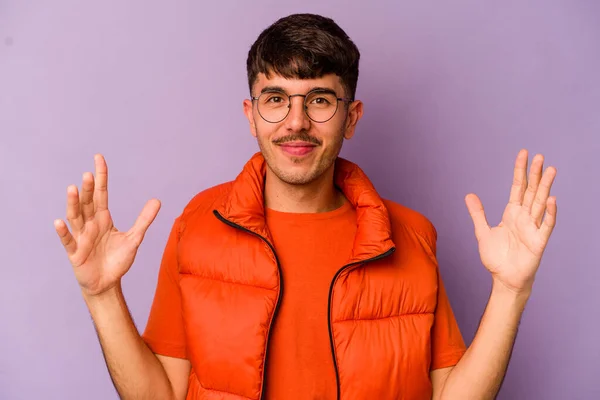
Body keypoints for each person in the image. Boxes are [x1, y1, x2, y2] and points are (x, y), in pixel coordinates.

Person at [54, 13, 558, 400]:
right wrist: (102, 296)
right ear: (251, 116)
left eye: (320, 100)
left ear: (351, 117)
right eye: (276, 98)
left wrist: (511, 291)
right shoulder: (198, 226)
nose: (295, 122)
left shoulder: (410, 235)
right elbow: (161, 392)